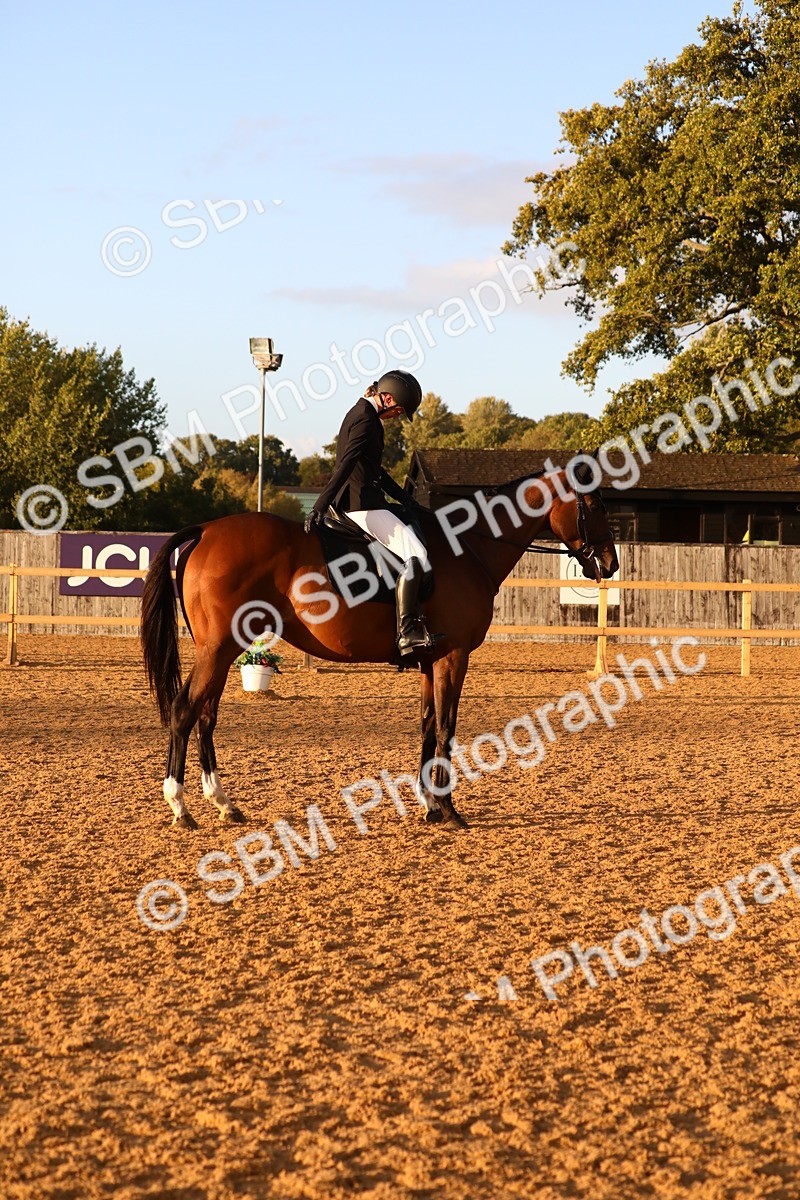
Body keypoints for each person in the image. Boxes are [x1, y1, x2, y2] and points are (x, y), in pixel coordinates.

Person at [304, 369, 442, 656]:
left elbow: (373, 469)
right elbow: (346, 464)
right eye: (399, 411)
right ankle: (407, 633)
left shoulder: (361, 413)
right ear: (388, 398)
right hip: (361, 506)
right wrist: (319, 504)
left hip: (365, 500)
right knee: (417, 555)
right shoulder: (366, 420)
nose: (396, 417)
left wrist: (405, 497)